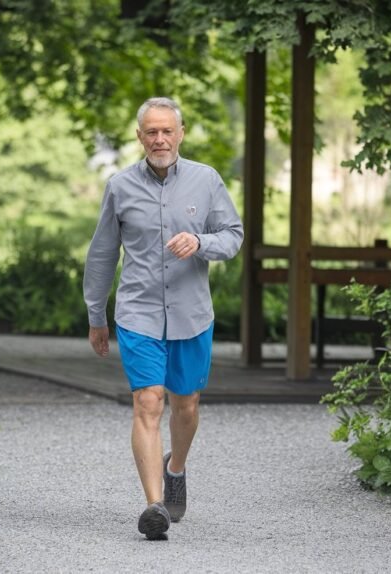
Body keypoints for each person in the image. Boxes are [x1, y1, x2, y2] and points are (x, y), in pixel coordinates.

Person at [83, 97, 244, 540]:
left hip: (192, 315)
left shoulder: (206, 180)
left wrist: (200, 242)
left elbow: (233, 236)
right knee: (148, 401)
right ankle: (154, 506)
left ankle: (176, 468)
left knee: (185, 404)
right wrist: (97, 315)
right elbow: (101, 254)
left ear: (180, 132)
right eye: (151, 132)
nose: (159, 139)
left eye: (166, 131)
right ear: (139, 137)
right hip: (139, 312)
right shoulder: (119, 186)